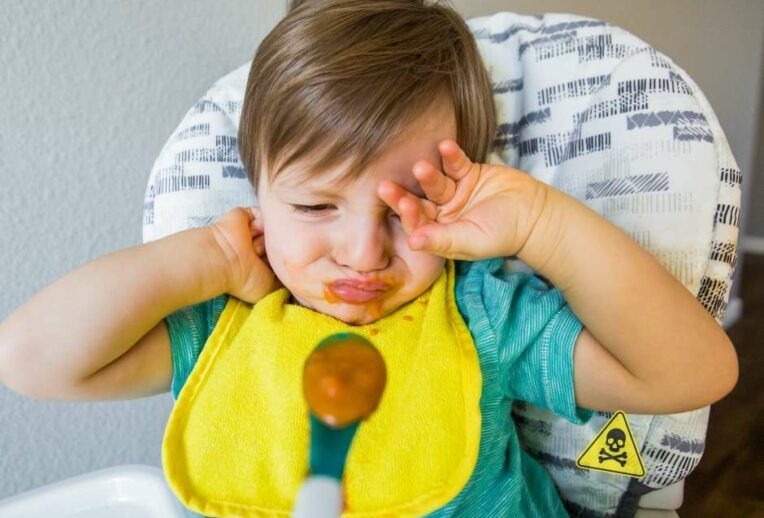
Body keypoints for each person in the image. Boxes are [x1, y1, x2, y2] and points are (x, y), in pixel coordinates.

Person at [0, 0, 738, 516]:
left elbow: (692, 374)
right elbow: (31, 359)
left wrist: (543, 225)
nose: (362, 253)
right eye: (316, 207)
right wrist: (210, 255)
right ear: (259, 196)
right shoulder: (223, 328)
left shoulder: (478, 320)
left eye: (402, 209)